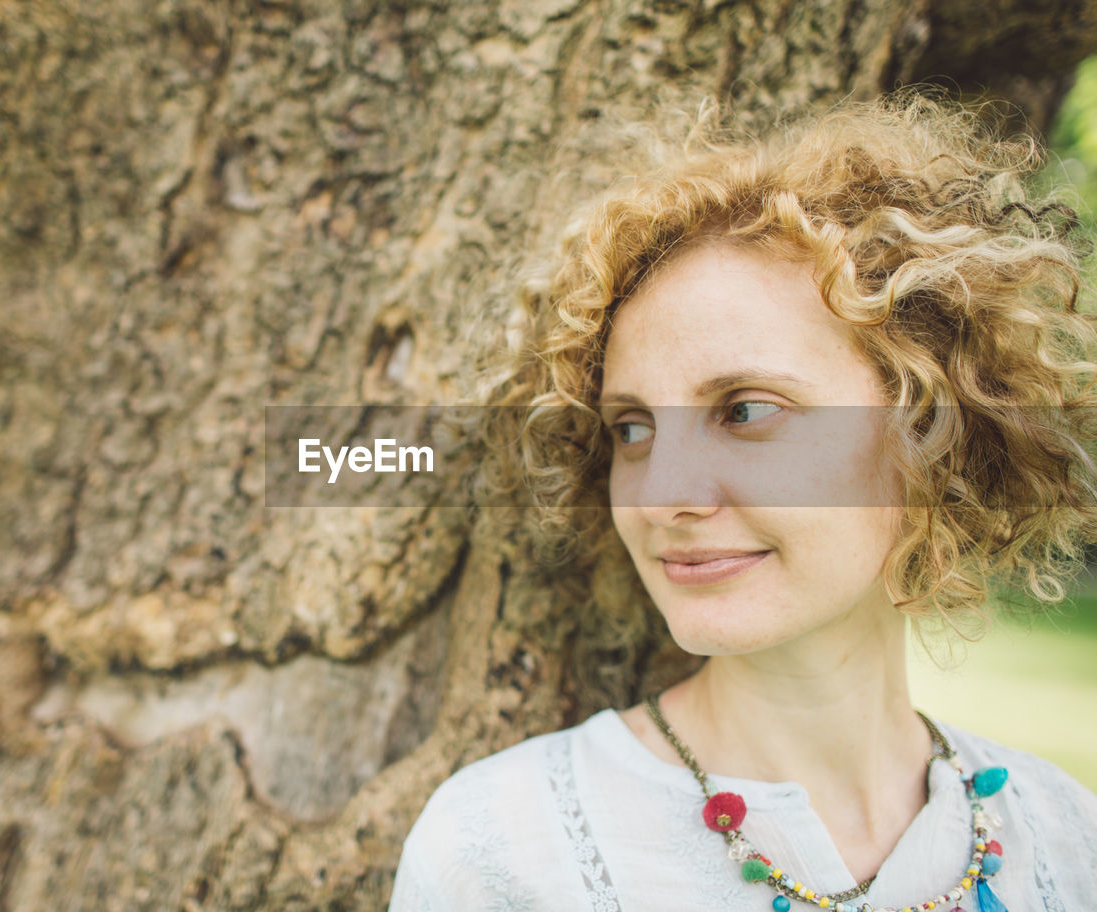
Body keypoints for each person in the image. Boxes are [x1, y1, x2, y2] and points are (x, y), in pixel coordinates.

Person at [388, 92, 1097, 912]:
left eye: (747, 410)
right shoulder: (506, 853)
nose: (663, 497)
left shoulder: (1067, 840)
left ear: (930, 427)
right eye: (633, 429)